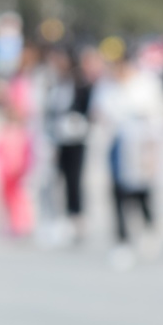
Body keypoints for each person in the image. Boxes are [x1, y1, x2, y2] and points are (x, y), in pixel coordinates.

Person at [91, 44, 163, 268]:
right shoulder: (106, 86)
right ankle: (122, 240)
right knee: (117, 193)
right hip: (117, 146)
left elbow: (160, 114)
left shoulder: (147, 84)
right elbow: (98, 112)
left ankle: (149, 225)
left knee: (141, 192)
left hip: (142, 146)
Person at [44, 45, 92, 244]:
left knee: (74, 180)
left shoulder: (80, 84)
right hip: (58, 139)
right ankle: (61, 218)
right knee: (57, 180)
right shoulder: (54, 84)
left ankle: (76, 218)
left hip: (76, 138)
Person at [0, 73, 34, 237]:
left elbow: (27, 152)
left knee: (19, 197)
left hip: (18, 171)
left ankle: (22, 223)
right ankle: (9, 223)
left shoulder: (23, 133)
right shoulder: (3, 132)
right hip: (5, 172)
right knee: (5, 198)